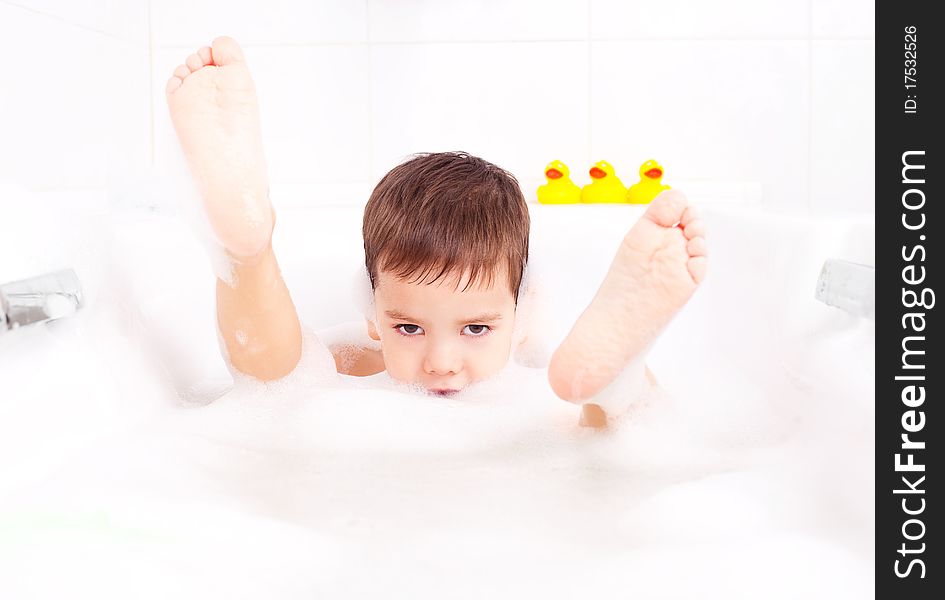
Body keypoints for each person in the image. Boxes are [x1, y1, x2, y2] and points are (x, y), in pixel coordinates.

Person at [165, 37, 708, 428]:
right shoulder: (369, 358)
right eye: (408, 329)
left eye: (474, 330)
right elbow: (277, 377)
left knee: (275, 379)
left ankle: (611, 377)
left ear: (521, 317)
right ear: (373, 316)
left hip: (509, 427)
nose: (441, 362)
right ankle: (245, 248)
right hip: (519, 462)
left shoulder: (533, 365)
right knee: (279, 376)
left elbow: (273, 387)